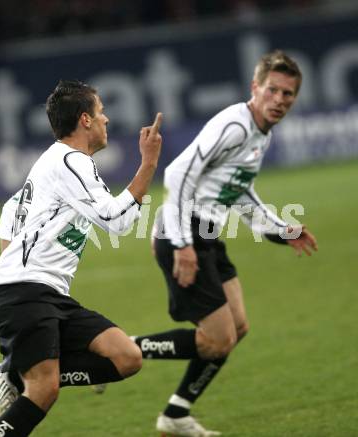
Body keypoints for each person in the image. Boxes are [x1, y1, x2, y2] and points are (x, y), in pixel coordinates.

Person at [131, 50, 318, 437]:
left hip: (208, 234)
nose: (280, 100)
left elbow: (240, 192)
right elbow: (179, 171)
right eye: (273, 90)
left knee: (237, 326)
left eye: (288, 94)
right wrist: (182, 243)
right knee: (218, 340)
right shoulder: (235, 125)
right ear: (255, 88)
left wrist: (284, 230)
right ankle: (117, 348)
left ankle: (176, 414)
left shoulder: (260, 134)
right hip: (185, 232)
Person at [0, 79, 162, 437]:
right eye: (101, 112)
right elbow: (118, 220)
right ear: (85, 119)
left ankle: (14, 371)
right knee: (44, 390)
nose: (107, 120)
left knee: (126, 357)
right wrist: (149, 163)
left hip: (43, 294)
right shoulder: (70, 161)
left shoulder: (53, 164)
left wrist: (17, 268)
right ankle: (19, 374)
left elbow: (9, 215)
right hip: (27, 293)